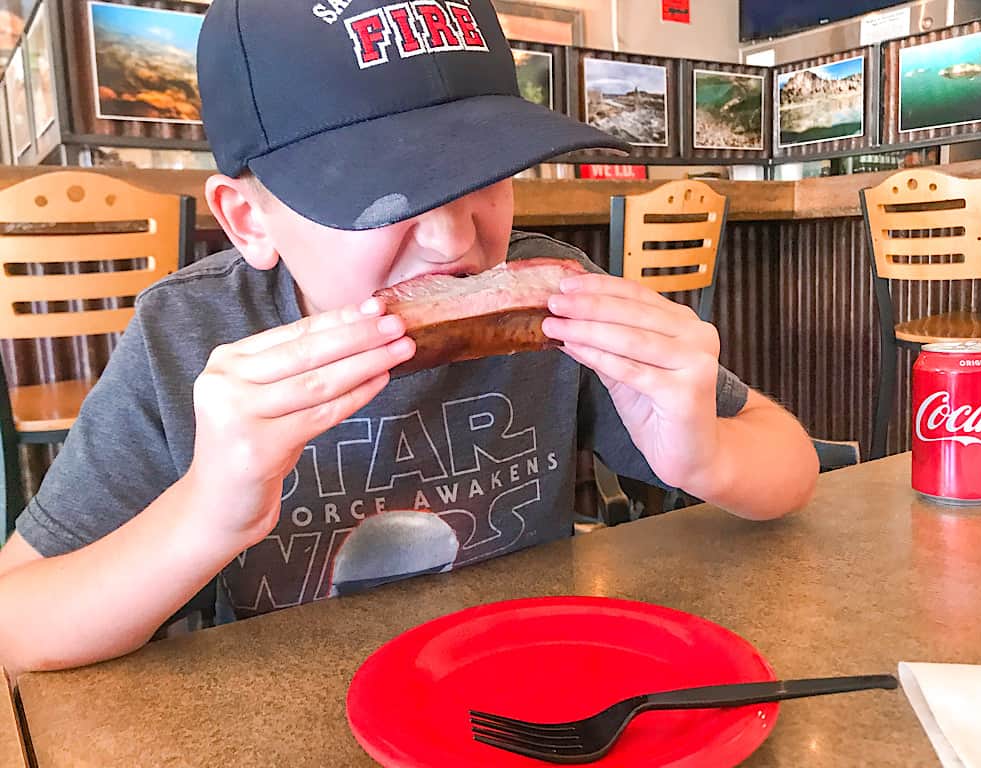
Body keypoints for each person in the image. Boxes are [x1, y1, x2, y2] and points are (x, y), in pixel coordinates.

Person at [0, 0, 818, 677]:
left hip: (526, 683)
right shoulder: (193, 337)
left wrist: (702, 453)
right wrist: (204, 516)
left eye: (486, 171)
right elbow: (18, 622)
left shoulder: (559, 297)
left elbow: (791, 465)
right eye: (381, 191)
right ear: (250, 219)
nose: (454, 238)